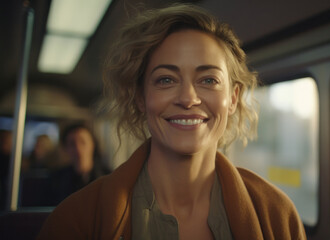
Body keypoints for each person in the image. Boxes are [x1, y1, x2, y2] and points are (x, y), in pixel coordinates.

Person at [37, 4, 306, 240]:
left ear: (233, 98)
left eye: (209, 80)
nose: (188, 98)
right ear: (141, 97)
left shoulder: (277, 215)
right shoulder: (76, 220)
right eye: (166, 79)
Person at [45, 124, 110, 205]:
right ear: (66, 149)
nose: (78, 149)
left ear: (93, 145)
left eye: (83, 142)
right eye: (72, 144)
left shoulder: (109, 177)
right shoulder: (55, 180)